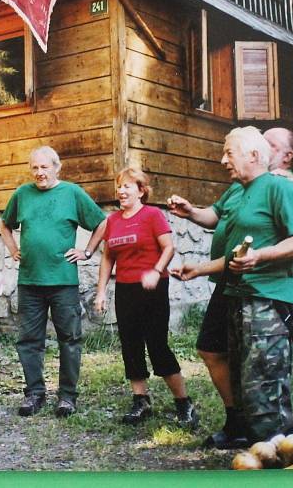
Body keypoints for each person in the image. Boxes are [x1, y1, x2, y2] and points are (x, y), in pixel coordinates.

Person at [167, 126, 293, 447]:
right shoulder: (240, 189)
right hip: (238, 296)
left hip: (269, 298)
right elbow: (233, 250)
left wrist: (260, 256)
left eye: (229, 153)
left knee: (265, 387)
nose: (223, 160)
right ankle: (256, 448)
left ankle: (280, 456)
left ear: (253, 156)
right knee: (247, 381)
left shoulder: (280, 188)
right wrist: (199, 267)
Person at [0, 146, 107, 418]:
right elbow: (5, 225)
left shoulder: (71, 193)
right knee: (28, 340)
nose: (39, 173)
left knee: (69, 339)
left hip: (63, 282)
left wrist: (87, 251)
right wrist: (13, 249)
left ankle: (67, 397)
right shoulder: (22, 194)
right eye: (35, 168)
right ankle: (34, 394)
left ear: (56, 168)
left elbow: (101, 223)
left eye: (44, 167)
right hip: (30, 281)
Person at [94, 168, 199, 428]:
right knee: (130, 345)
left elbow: (169, 247)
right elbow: (108, 257)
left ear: (141, 190)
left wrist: (156, 270)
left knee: (157, 346)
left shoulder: (153, 215)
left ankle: (184, 403)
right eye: (119, 186)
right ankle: (141, 400)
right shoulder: (113, 220)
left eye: (128, 186)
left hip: (153, 288)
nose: (121, 191)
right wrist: (100, 292)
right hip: (126, 289)